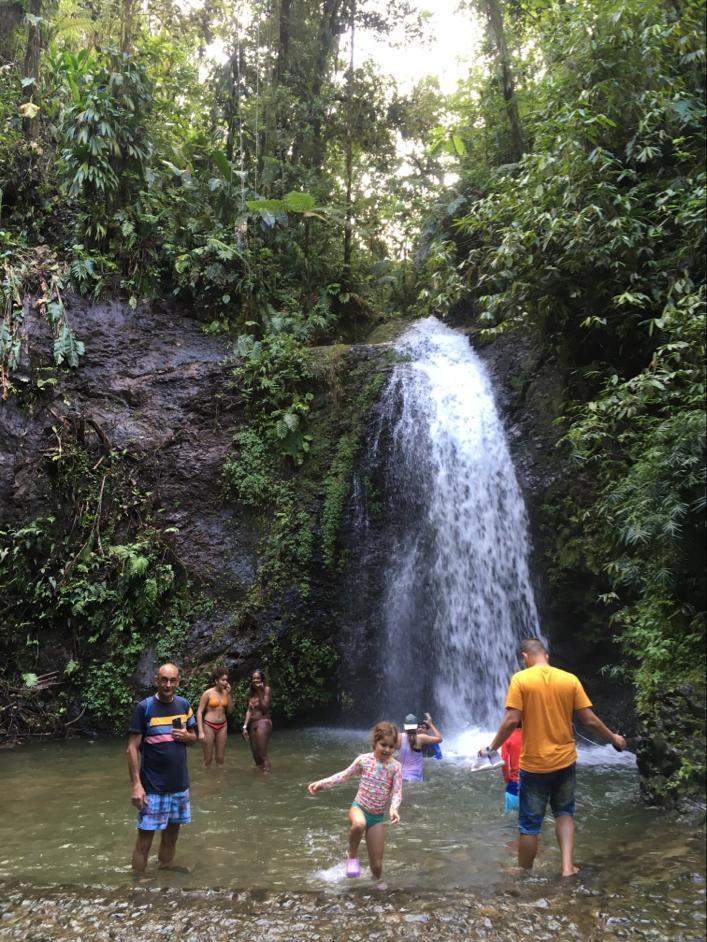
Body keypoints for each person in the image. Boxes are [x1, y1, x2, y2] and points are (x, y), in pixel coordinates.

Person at [480, 638, 627, 877]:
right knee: (564, 813)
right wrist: (614, 739)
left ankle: (524, 874)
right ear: (546, 655)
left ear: (525, 658)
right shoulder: (569, 679)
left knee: (529, 826)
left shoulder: (520, 679)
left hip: (534, 765)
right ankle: (568, 868)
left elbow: (511, 720)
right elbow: (589, 719)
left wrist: (491, 748)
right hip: (565, 761)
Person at [307, 721, 403, 886]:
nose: (387, 749)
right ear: (375, 743)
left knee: (377, 866)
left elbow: (397, 792)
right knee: (359, 824)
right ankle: (352, 856)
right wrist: (322, 783)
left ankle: (376, 889)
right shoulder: (364, 760)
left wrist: (394, 809)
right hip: (359, 808)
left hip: (377, 817)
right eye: (383, 745)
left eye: (391, 746)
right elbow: (343, 776)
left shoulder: (396, 767)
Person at [126, 662, 198, 873]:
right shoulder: (145, 708)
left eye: (172, 680)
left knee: (171, 835)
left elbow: (194, 739)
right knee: (145, 840)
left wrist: (187, 736)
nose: (168, 685)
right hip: (152, 787)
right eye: (164, 680)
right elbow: (131, 748)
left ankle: (165, 874)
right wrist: (137, 786)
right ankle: (137, 886)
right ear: (156, 681)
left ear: (178, 682)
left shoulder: (184, 705)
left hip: (179, 786)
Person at [196, 666, 233, 769]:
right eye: (223, 680)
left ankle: (219, 782)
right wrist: (200, 731)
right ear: (216, 681)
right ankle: (207, 783)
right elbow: (199, 711)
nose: (225, 682)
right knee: (208, 759)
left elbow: (230, 710)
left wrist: (229, 695)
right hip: (209, 726)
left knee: (220, 759)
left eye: (226, 680)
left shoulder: (226, 693)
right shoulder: (208, 693)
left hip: (223, 726)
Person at [396, 712, 443, 782]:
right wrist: (430, 723)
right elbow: (439, 739)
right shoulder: (421, 738)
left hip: (399, 777)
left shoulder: (398, 737)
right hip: (414, 778)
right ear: (416, 727)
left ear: (404, 726)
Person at [242, 668, 272, 772]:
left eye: (258, 678)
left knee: (262, 754)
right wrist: (245, 727)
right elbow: (249, 711)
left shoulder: (266, 690)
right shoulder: (251, 692)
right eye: (254, 678)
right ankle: (261, 774)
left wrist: (260, 691)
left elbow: (265, 708)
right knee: (256, 756)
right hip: (252, 724)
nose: (255, 680)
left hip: (263, 722)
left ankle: (267, 776)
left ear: (262, 679)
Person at [501, 724, 522, 812]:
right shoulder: (534, 734)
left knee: (511, 817)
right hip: (534, 781)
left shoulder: (507, 736)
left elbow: (504, 761)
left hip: (515, 782)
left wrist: (507, 778)